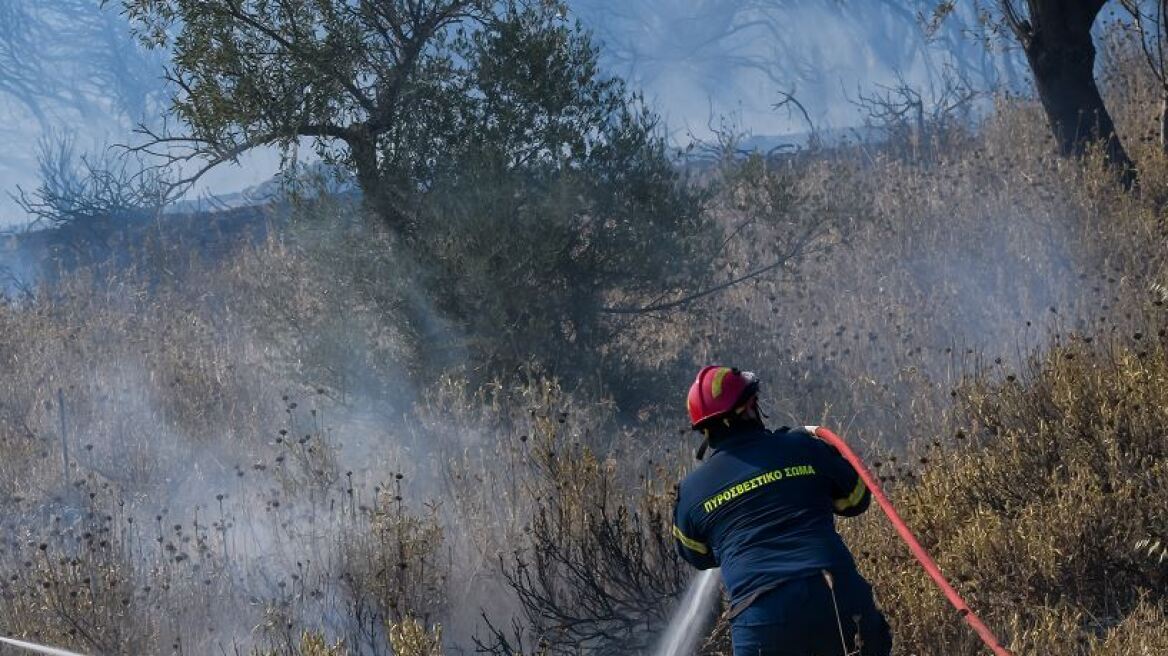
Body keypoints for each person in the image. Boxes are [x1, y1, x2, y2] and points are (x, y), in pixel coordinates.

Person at [671, 366, 892, 656]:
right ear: (750, 406)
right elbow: (856, 500)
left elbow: (697, 555)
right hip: (837, 595)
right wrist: (820, 457)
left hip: (762, 618)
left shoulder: (691, 491)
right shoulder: (802, 447)